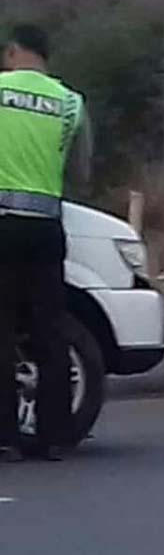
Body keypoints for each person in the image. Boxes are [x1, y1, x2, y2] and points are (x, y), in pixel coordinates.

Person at [0, 24, 93, 462]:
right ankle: (55, 435)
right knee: (49, 330)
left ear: (14, 51)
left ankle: (6, 437)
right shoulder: (70, 102)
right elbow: (81, 175)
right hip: (46, 226)